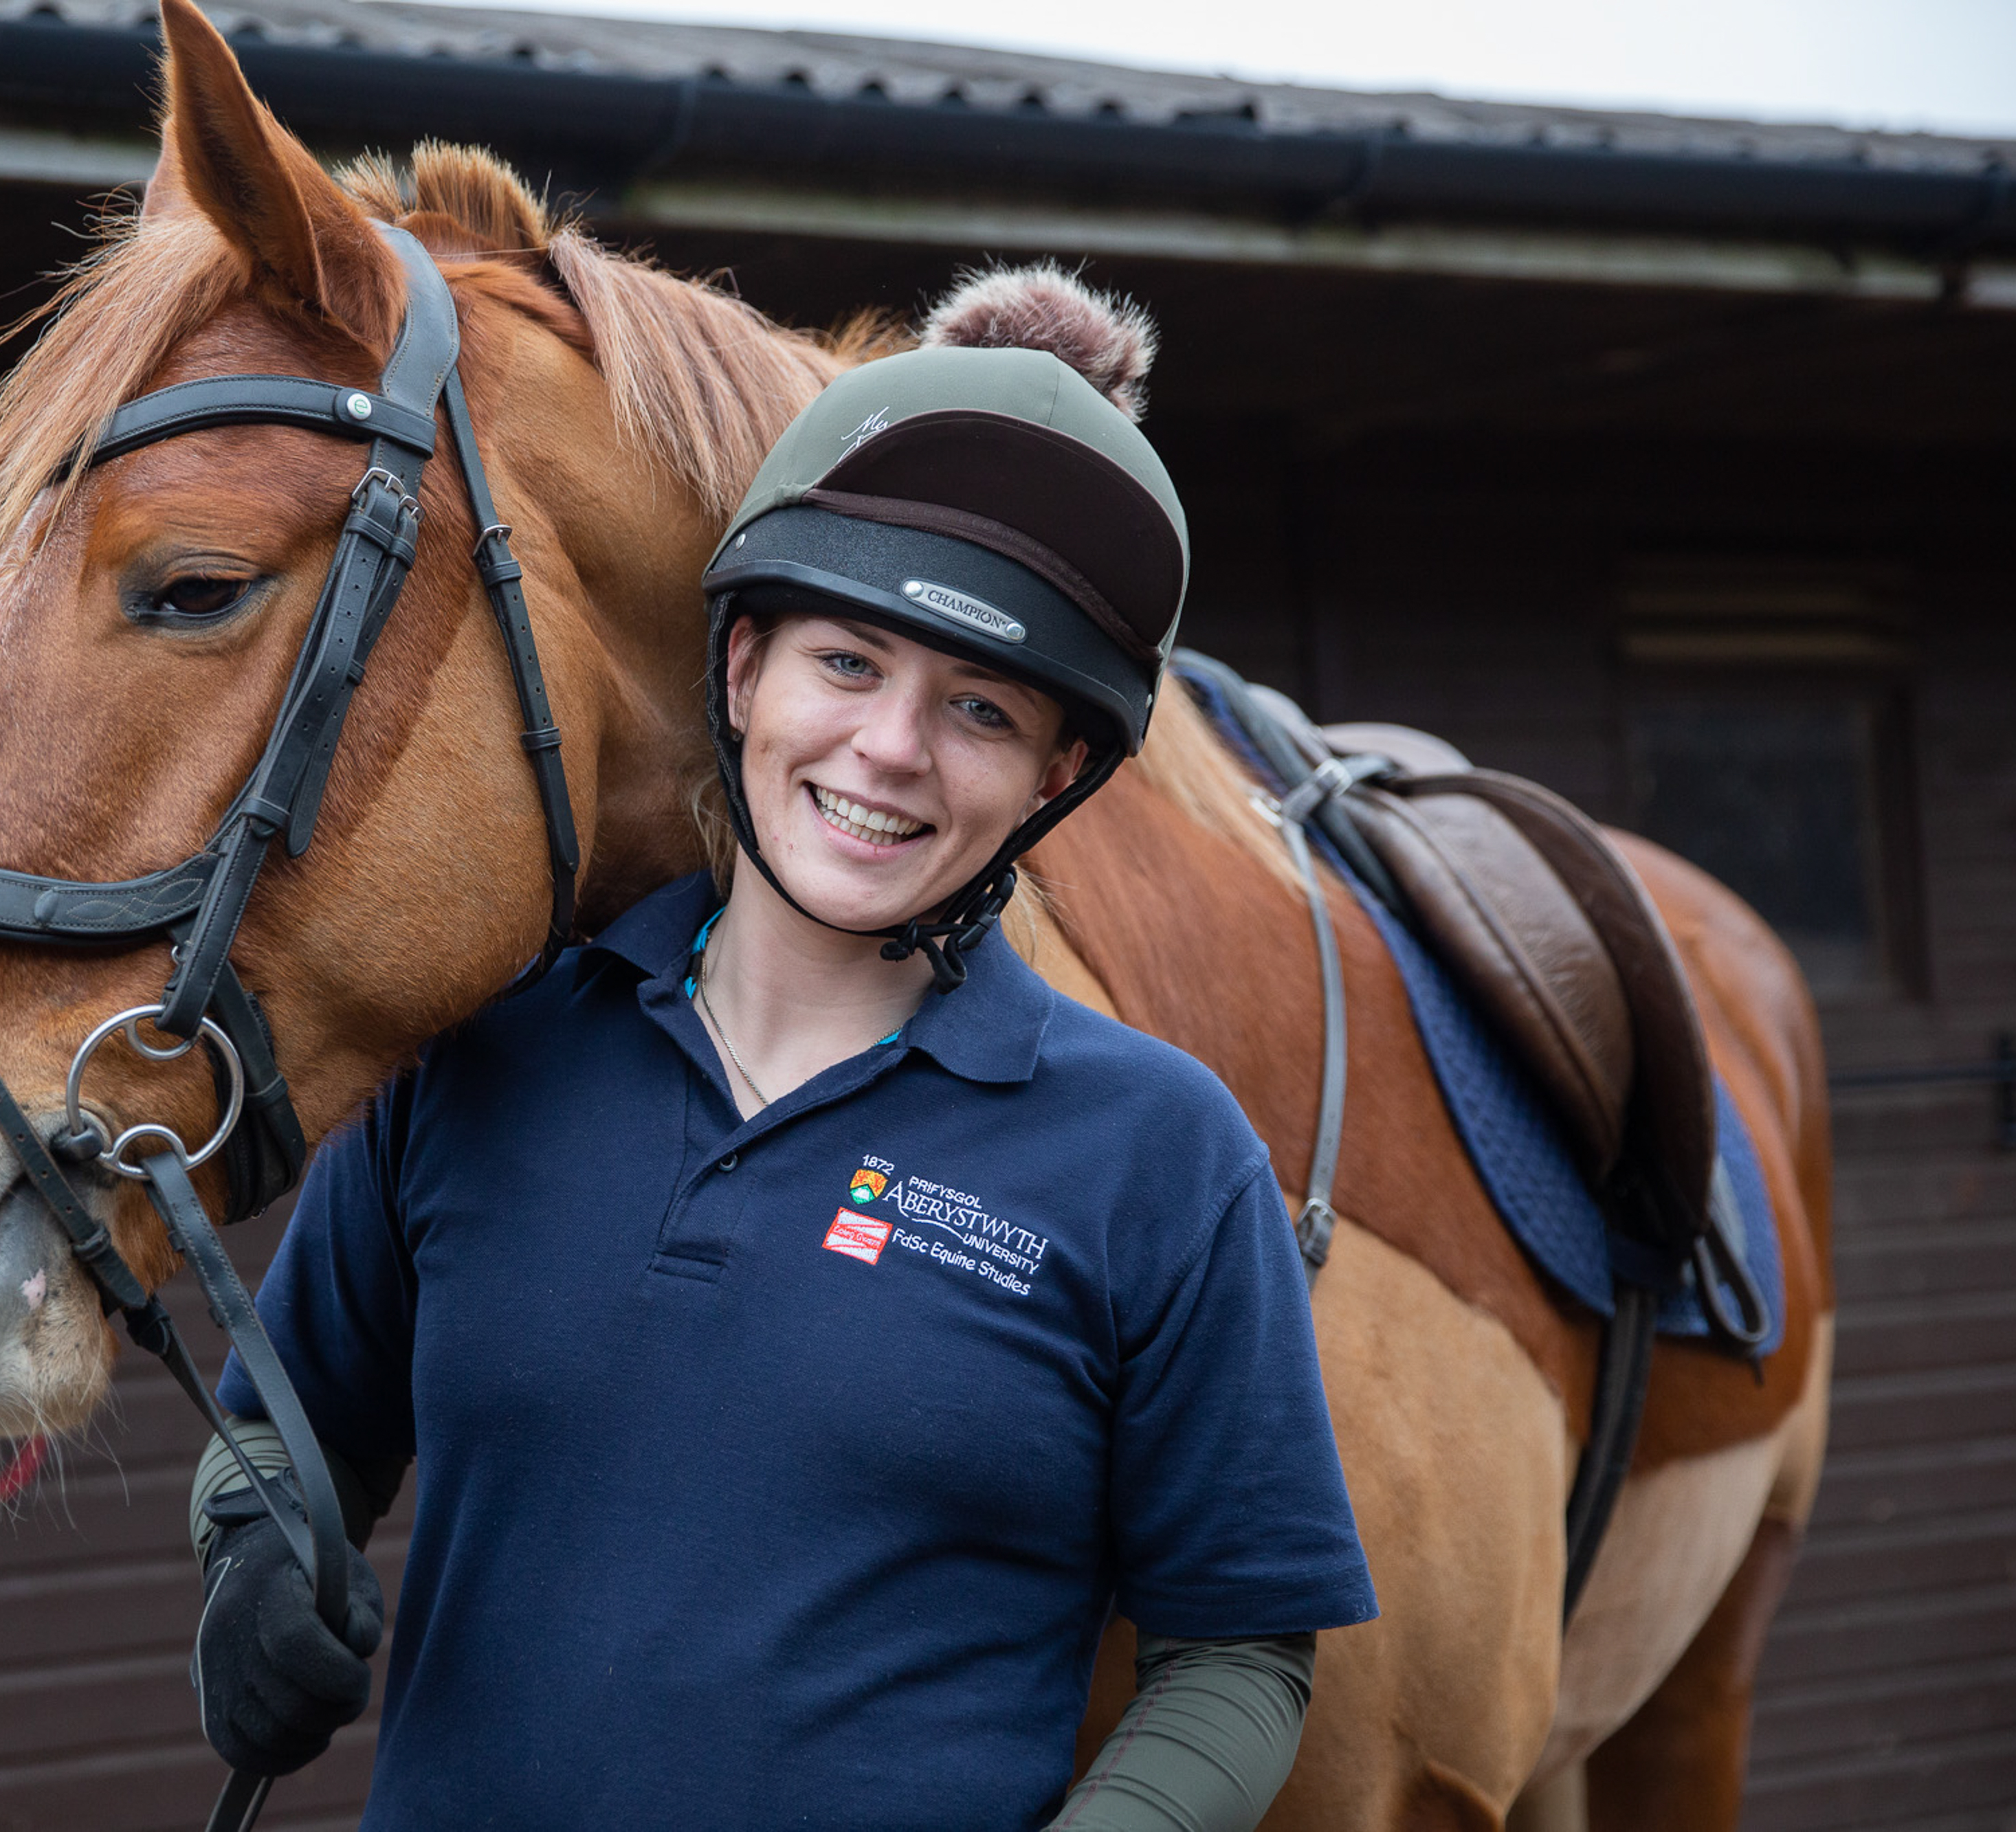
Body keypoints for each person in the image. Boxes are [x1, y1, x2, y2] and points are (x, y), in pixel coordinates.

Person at [186, 302, 1377, 1832]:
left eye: (978, 707)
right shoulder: (476, 1056)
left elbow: (1238, 1654)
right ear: (742, 668)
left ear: (1050, 776)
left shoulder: (1158, 1154)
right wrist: (249, 1563)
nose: (888, 749)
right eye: (846, 659)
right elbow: (289, 1432)